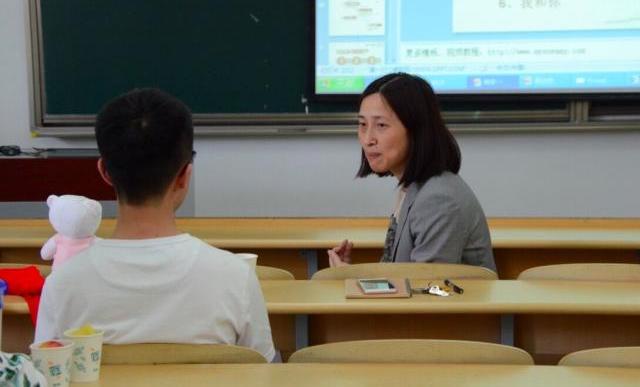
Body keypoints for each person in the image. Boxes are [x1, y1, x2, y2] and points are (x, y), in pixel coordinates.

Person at [35, 88, 275, 362]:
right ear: (185, 175)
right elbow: (261, 369)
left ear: (104, 172)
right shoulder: (235, 277)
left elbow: (46, 372)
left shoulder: (62, 284)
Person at [328, 73, 496, 271]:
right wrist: (352, 274)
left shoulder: (438, 200)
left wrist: (353, 279)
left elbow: (427, 287)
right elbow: (399, 275)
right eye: (363, 124)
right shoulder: (412, 187)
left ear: (416, 130)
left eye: (381, 125)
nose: (367, 139)